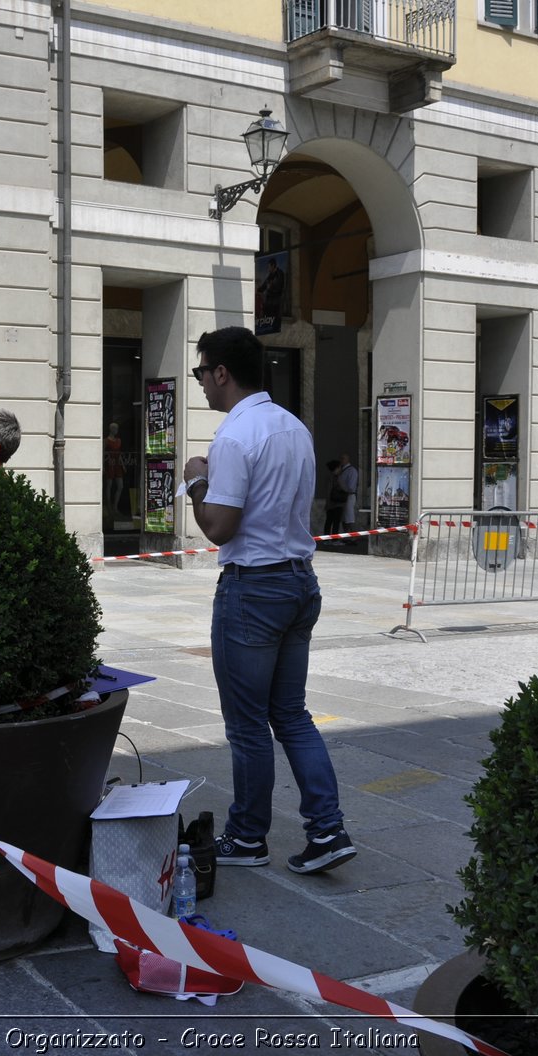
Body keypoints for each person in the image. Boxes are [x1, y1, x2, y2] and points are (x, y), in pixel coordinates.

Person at [181, 326, 355, 875]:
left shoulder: (233, 437)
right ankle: (327, 829)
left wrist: (194, 483)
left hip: (252, 587)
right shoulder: (293, 427)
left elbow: (219, 528)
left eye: (201, 373)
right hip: (299, 580)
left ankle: (248, 836)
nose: (202, 384)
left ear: (222, 373)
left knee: (248, 723)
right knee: (291, 714)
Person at [104, 422, 125, 514]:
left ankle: (115, 506)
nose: (116, 430)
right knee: (109, 485)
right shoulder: (106, 440)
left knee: (120, 486)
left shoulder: (119, 440)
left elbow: (119, 454)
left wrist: (123, 465)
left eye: (117, 428)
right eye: (114, 428)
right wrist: (103, 465)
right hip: (110, 463)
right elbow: (103, 453)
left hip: (117, 464)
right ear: (111, 429)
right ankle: (109, 507)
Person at [335, 453, 359, 531]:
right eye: (340, 458)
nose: (341, 460)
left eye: (343, 458)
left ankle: (353, 537)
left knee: (349, 518)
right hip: (342, 497)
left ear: (347, 459)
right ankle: (347, 537)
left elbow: (351, 488)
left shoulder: (351, 471)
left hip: (349, 496)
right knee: (344, 519)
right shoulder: (341, 470)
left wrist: (341, 486)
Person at [322, 459, 345, 537]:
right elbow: (329, 490)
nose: (341, 469)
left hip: (333, 503)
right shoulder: (333, 478)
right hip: (334, 504)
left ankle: (328, 539)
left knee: (330, 521)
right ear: (336, 468)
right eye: (339, 467)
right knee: (334, 522)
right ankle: (332, 539)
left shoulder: (334, 477)